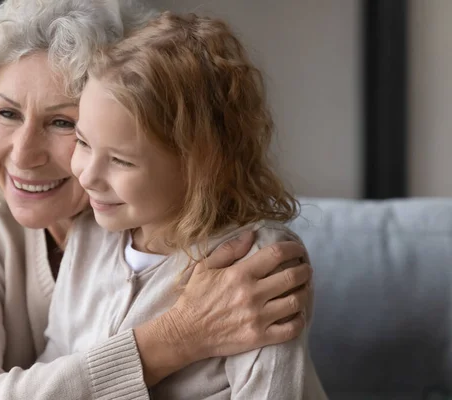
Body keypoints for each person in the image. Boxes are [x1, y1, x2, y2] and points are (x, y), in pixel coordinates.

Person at [0, 1, 313, 399]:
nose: (23, 155)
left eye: (63, 122)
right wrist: (176, 337)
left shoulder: (240, 254)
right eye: (6, 113)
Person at [38, 10, 327, 399]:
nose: (87, 175)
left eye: (121, 160)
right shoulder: (89, 234)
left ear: (199, 166)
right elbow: (54, 368)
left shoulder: (257, 262)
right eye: (84, 143)